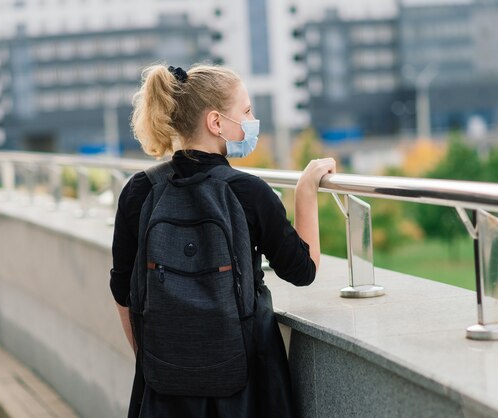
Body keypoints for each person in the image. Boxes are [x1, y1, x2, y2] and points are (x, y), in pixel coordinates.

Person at [109, 63, 335, 418]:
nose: (251, 120)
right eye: (246, 111)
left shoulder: (139, 191)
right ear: (216, 123)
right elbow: (302, 270)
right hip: (246, 383)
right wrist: (306, 189)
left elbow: (123, 291)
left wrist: (155, 363)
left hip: (163, 385)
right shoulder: (249, 192)